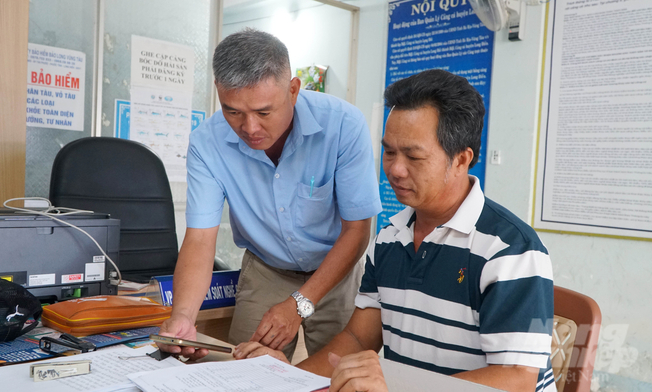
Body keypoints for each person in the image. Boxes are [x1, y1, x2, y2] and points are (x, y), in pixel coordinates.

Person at [235, 69, 556, 392]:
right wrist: (292, 378)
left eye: (414, 156)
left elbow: (516, 379)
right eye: (389, 152)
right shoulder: (390, 238)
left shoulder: (510, 250)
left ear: (461, 160)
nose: (395, 170)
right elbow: (359, 338)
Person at [158, 28, 382, 362]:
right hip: (266, 269)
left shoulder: (343, 126)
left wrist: (298, 305)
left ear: (293, 91)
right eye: (232, 111)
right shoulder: (207, 143)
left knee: (339, 371)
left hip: (337, 269)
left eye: (264, 112)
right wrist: (183, 317)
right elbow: (200, 240)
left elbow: (357, 231)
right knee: (241, 370)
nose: (249, 128)